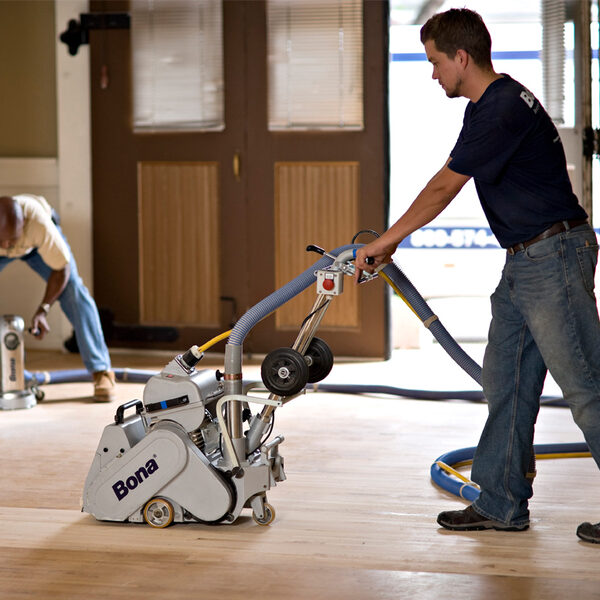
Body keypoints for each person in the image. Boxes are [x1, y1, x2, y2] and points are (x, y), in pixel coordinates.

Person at [354, 8, 600, 544]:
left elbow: (445, 187)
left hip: (552, 257)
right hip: (525, 261)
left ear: (461, 57)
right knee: (506, 382)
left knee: (587, 387)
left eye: (435, 62)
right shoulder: (494, 104)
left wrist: (385, 241)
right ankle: (501, 502)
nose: (433, 73)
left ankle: (502, 498)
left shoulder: (501, 110)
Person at [0, 193, 116, 402]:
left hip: (36, 246)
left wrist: (43, 309)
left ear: (23, 224)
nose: (8, 245)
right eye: (2, 240)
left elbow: (62, 270)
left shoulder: (39, 224)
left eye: (12, 239)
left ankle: (102, 371)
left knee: (74, 292)